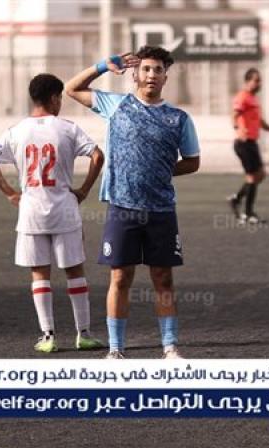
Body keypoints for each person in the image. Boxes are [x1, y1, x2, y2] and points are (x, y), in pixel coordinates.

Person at [65, 46, 200, 359]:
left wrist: (160, 171)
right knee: (120, 277)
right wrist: (102, 66)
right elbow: (71, 88)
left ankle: (170, 347)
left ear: (165, 77)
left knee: (163, 279)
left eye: (158, 70)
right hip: (122, 208)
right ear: (135, 75)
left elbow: (192, 162)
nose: (152, 75)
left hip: (161, 209)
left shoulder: (178, 119)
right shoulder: (116, 105)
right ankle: (116, 350)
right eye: (146, 69)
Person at [0, 73, 106, 352]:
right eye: (60, 98)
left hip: (31, 211)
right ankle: (84, 333)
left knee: (40, 273)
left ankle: (48, 336)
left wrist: (10, 192)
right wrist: (84, 190)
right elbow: (98, 156)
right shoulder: (68, 128)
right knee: (74, 270)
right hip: (64, 209)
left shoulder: (15, 131)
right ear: (53, 98)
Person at [228, 68, 269, 224]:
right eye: (256, 80)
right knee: (253, 177)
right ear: (248, 81)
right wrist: (238, 128)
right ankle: (249, 213)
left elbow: (259, 122)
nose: (259, 83)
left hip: (252, 143)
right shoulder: (242, 97)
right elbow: (234, 114)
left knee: (260, 175)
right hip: (243, 143)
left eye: (260, 80)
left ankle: (236, 199)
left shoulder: (253, 99)